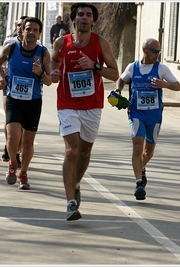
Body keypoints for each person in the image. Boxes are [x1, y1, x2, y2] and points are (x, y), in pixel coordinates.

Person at [50, 3, 119, 221]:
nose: (84, 18)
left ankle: (77, 184)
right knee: (71, 150)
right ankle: (70, 203)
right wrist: (53, 71)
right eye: (80, 14)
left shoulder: (101, 43)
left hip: (92, 105)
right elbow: (54, 59)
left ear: (93, 21)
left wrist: (94, 66)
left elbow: (114, 74)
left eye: (89, 15)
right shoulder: (61, 42)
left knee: (84, 152)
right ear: (74, 19)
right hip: (67, 103)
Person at [115, 38, 180, 201]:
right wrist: (117, 90)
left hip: (154, 115)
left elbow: (178, 86)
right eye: (155, 52)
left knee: (148, 151)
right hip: (136, 113)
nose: (157, 55)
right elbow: (121, 79)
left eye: (159, 52)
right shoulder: (133, 67)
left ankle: (142, 167)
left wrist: (164, 85)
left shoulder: (162, 69)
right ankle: (138, 183)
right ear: (144, 50)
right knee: (138, 147)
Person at [0, 17, 52, 190]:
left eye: (35, 30)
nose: (31, 33)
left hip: (33, 102)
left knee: (28, 143)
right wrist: (1, 79)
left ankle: (24, 173)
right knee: (12, 138)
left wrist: (40, 73)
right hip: (14, 99)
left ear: (39, 33)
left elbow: (49, 81)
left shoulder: (43, 53)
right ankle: (13, 163)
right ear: (23, 31)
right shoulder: (11, 48)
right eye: (28, 29)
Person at [0, 15, 28, 165]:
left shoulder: (36, 48)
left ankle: (17, 149)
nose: (19, 29)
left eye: (22, 26)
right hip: (10, 86)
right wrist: (2, 77)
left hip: (29, 90)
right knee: (9, 119)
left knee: (23, 124)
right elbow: (0, 63)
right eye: (18, 26)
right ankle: (9, 146)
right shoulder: (9, 43)